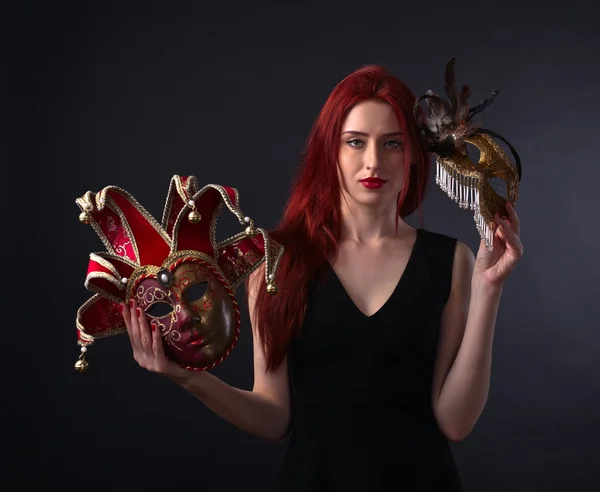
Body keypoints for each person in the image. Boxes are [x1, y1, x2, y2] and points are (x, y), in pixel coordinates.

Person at [121, 65, 523, 491]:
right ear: (329, 150)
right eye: (355, 142)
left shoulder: (452, 261)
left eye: (392, 143)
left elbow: (455, 422)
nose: (373, 162)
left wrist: (488, 289)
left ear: (413, 156)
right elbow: (275, 417)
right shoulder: (277, 260)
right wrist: (188, 377)